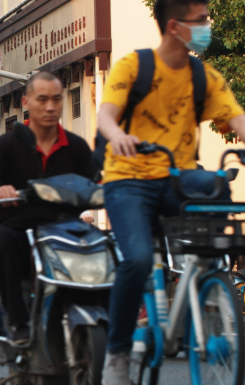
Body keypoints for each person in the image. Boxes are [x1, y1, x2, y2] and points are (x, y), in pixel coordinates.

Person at [97, 1, 245, 383]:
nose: (207, 27)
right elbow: (106, 116)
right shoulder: (134, 66)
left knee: (216, 184)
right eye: (202, 21)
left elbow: (238, 118)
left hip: (176, 177)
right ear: (176, 26)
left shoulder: (203, 76)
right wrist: (119, 137)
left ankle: (209, 282)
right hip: (128, 179)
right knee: (140, 260)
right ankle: (116, 354)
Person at [0, 71, 96, 344]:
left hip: (66, 233)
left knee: (105, 247)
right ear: (26, 101)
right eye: (42, 99)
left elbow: (98, 184)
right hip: (19, 231)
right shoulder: (6, 144)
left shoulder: (77, 147)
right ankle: (17, 321)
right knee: (0, 242)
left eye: (56, 99)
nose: (50, 107)